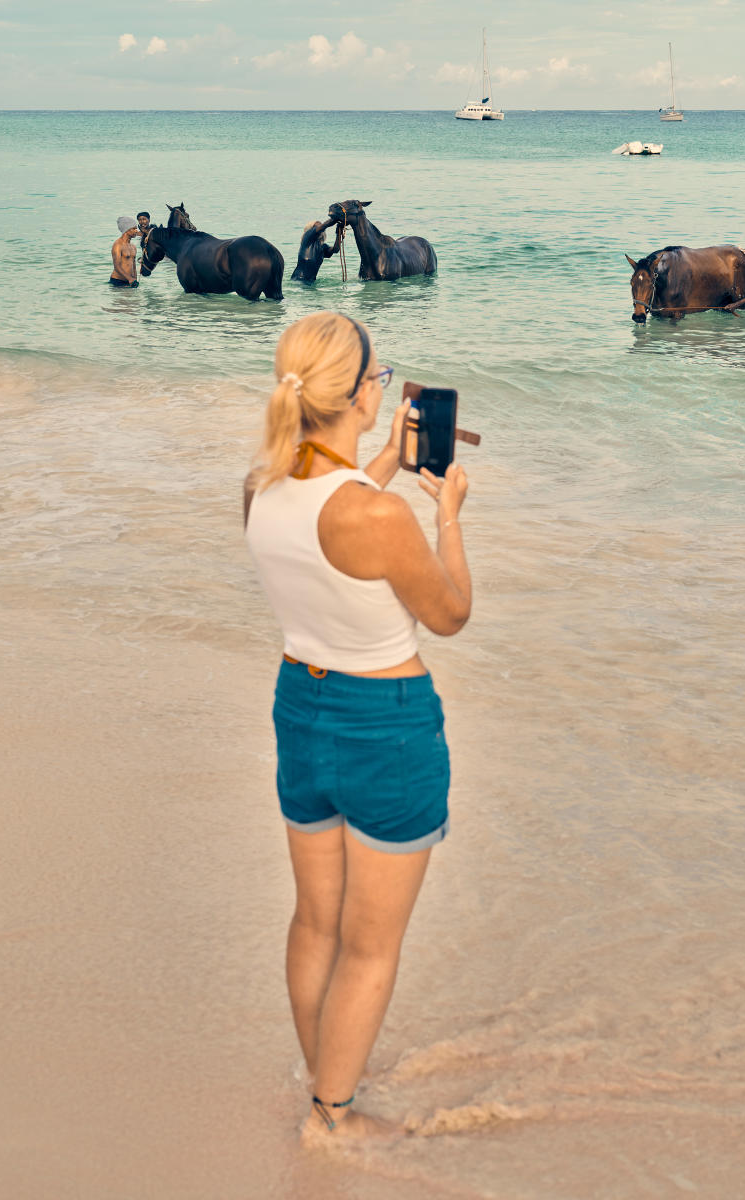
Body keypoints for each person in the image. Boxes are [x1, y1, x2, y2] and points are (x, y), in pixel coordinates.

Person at [243, 311, 471, 1144]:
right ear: (363, 393)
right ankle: (333, 1116)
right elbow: (449, 614)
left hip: (302, 712)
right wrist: (447, 511)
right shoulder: (378, 518)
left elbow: (332, 514)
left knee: (315, 923)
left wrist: (384, 465)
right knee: (371, 948)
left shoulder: (261, 487)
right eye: (379, 377)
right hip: (388, 727)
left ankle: (322, 1077)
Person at [109, 216, 139, 288]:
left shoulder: (133, 246)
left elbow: (134, 266)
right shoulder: (118, 245)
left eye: (136, 228)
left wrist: (135, 279)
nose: (136, 231)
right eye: (134, 228)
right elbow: (117, 266)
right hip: (118, 281)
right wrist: (130, 279)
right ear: (127, 230)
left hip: (130, 281)